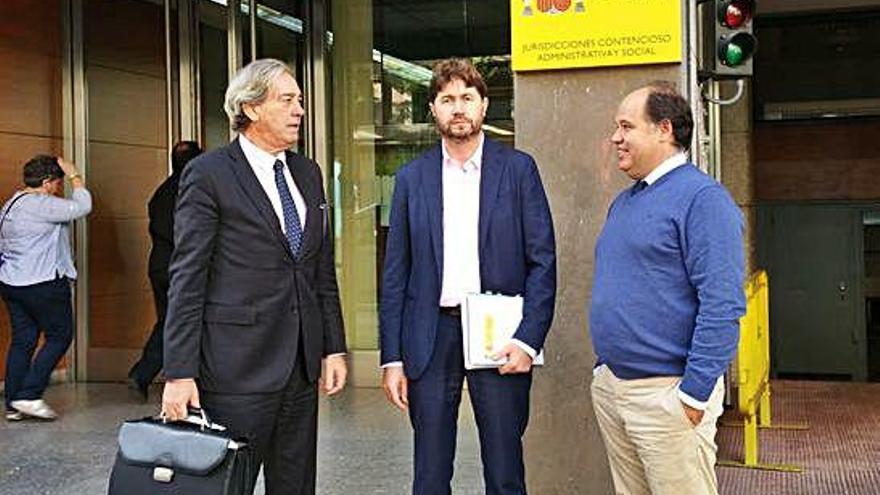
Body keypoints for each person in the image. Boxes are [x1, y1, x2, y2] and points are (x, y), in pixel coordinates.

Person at [161, 59, 347, 495]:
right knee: (228, 486)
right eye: (287, 100)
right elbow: (187, 277)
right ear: (251, 107)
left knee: (296, 486)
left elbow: (319, 268)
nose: (299, 109)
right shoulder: (209, 174)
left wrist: (333, 347)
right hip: (235, 371)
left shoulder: (307, 172)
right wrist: (178, 372)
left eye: (300, 100)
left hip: (300, 371)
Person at [380, 58, 556, 495]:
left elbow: (543, 262)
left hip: (499, 333)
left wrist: (528, 338)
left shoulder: (518, 170)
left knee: (504, 468)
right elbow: (395, 275)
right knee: (430, 472)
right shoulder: (411, 179)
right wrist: (392, 358)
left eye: (466, 98)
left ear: (483, 106)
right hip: (430, 333)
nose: (457, 108)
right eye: (447, 99)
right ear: (433, 110)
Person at [589, 82, 746, 495]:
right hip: (615, 388)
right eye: (615, 127)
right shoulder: (625, 202)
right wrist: (604, 373)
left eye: (626, 126)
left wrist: (693, 396)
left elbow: (724, 304)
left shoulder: (703, 200)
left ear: (664, 130)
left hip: (668, 396)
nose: (615, 137)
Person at [1, 155, 91, 421]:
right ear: (47, 182)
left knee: (23, 341)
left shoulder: (11, 204)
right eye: (57, 182)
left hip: (11, 282)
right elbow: (83, 206)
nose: (59, 187)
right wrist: (75, 175)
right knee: (60, 335)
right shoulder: (42, 204)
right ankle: (29, 395)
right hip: (42, 283)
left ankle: (14, 403)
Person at [127, 140, 202, 400]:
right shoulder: (195, 190)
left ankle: (144, 373)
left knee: (169, 321)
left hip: (159, 265)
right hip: (184, 268)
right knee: (186, 322)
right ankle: (180, 379)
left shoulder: (161, 192)